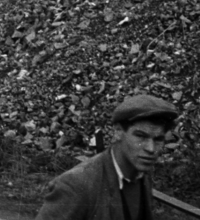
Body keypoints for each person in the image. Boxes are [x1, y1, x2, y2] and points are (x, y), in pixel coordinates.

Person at [33, 93, 179, 220]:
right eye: (140, 136)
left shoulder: (141, 175)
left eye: (158, 139)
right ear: (118, 132)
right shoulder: (76, 185)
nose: (151, 149)